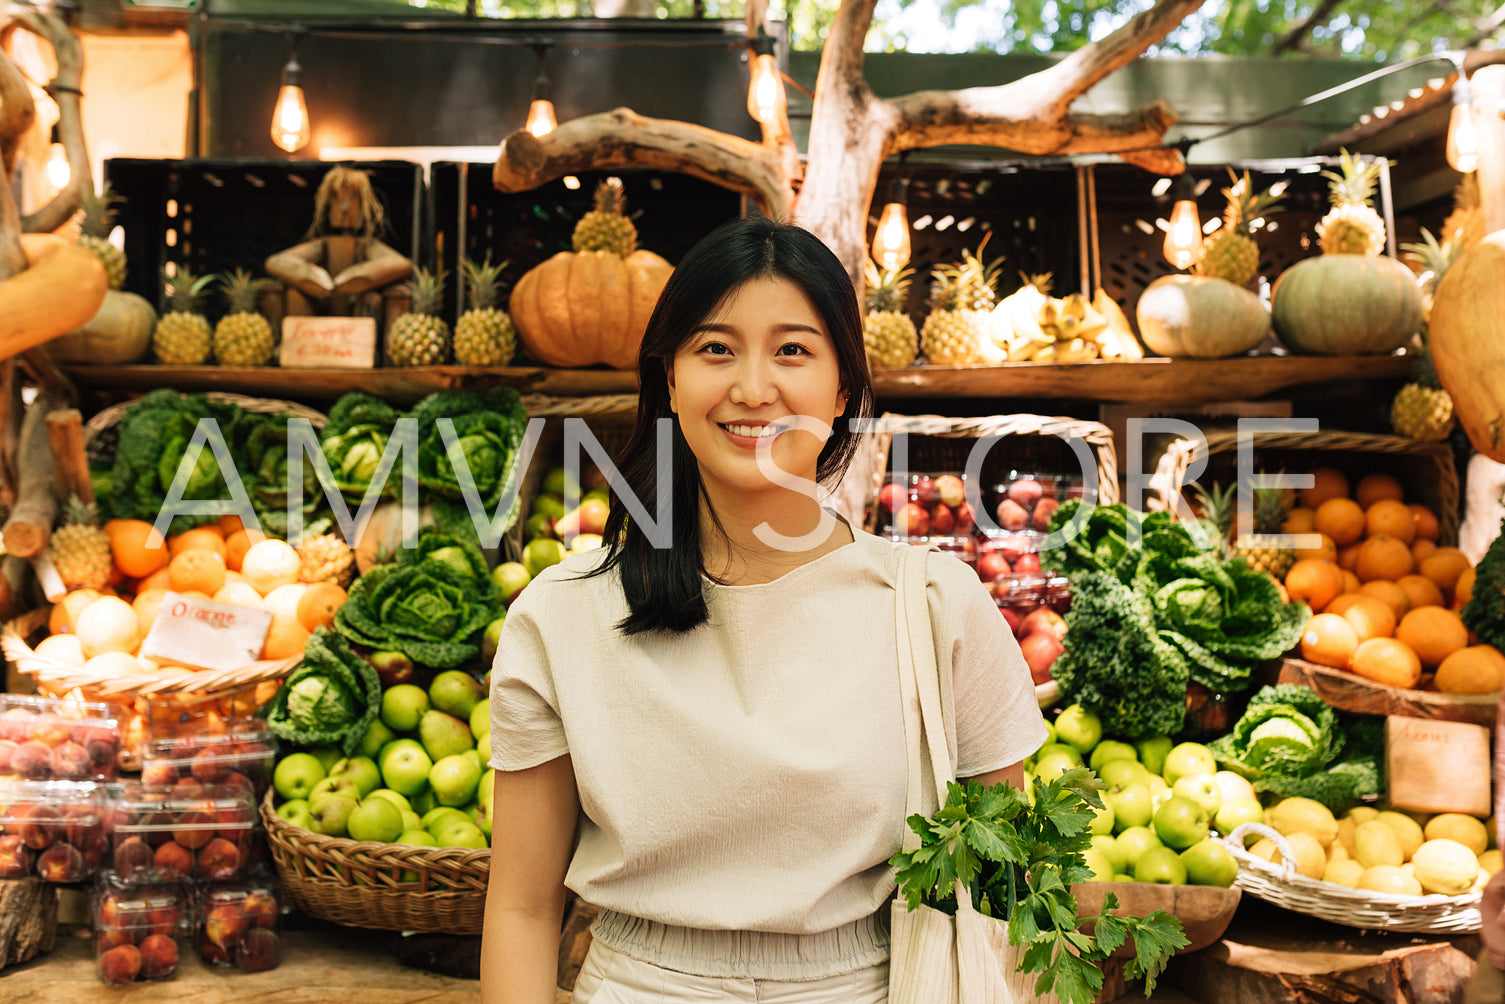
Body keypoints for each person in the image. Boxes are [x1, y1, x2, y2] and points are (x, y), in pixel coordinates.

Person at [480, 215, 1048, 1004]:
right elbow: (519, 906)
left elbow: (999, 894)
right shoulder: (563, 616)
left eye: (792, 350)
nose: (752, 388)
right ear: (669, 379)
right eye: (715, 349)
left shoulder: (932, 608)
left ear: (841, 387)